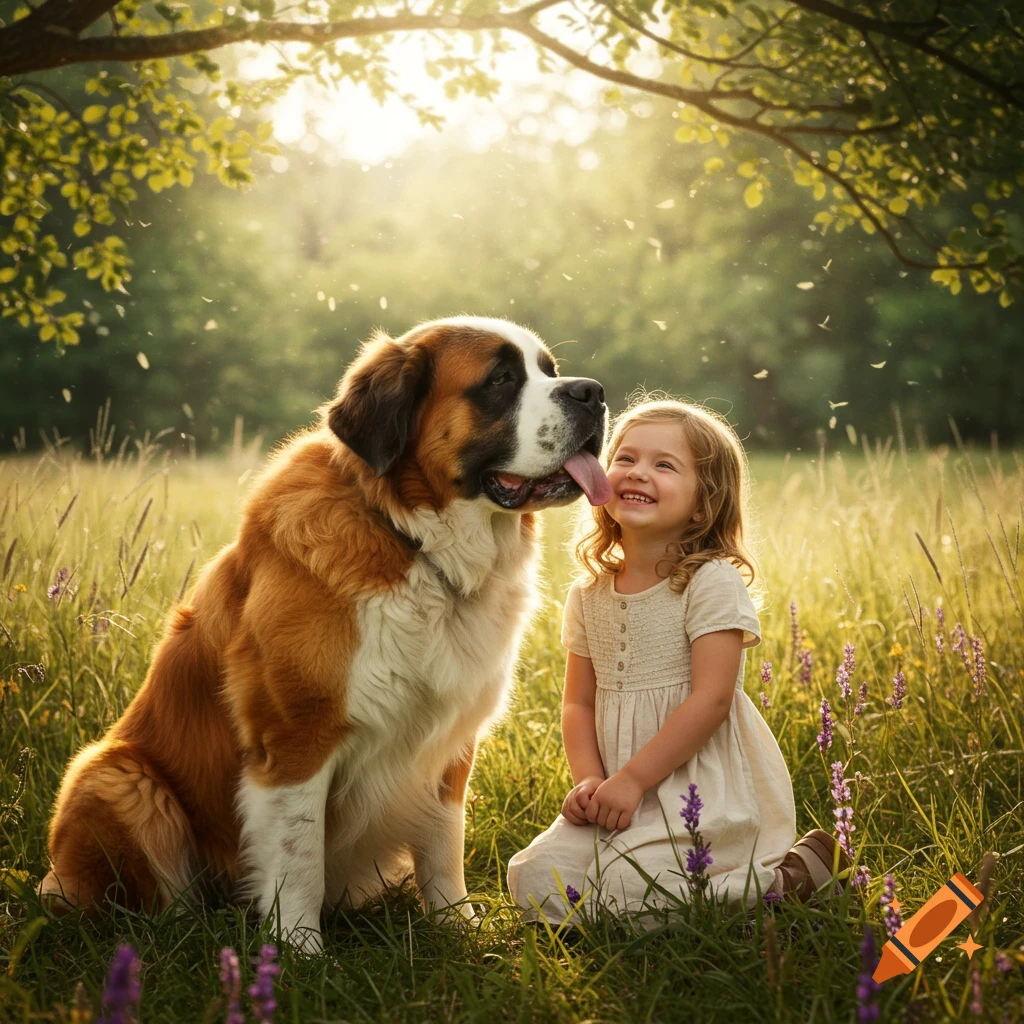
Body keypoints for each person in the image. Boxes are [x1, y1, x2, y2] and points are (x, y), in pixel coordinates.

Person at [507, 398, 848, 925]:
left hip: (698, 792)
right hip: (618, 793)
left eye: (664, 465)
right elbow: (577, 701)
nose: (637, 472)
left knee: (628, 886)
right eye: (625, 458)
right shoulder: (590, 592)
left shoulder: (709, 582)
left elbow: (710, 701)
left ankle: (790, 879)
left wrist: (635, 780)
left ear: (702, 503)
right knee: (531, 874)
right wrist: (591, 782)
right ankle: (611, 909)